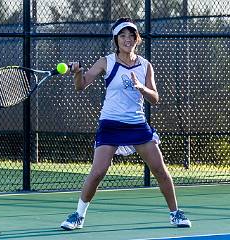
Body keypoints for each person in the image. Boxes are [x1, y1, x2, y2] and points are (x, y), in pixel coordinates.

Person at [60, 17, 191, 230]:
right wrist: (77, 73)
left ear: (137, 39)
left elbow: (155, 98)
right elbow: (81, 85)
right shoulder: (106, 62)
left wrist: (141, 87)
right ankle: (78, 215)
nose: (127, 39)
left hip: (137, 124)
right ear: (116, 39)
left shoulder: (145, 66)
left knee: (159, 169)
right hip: (110, 123)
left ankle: (175, 213)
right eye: (123, 35)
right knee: (98, 171)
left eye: (131, 35)